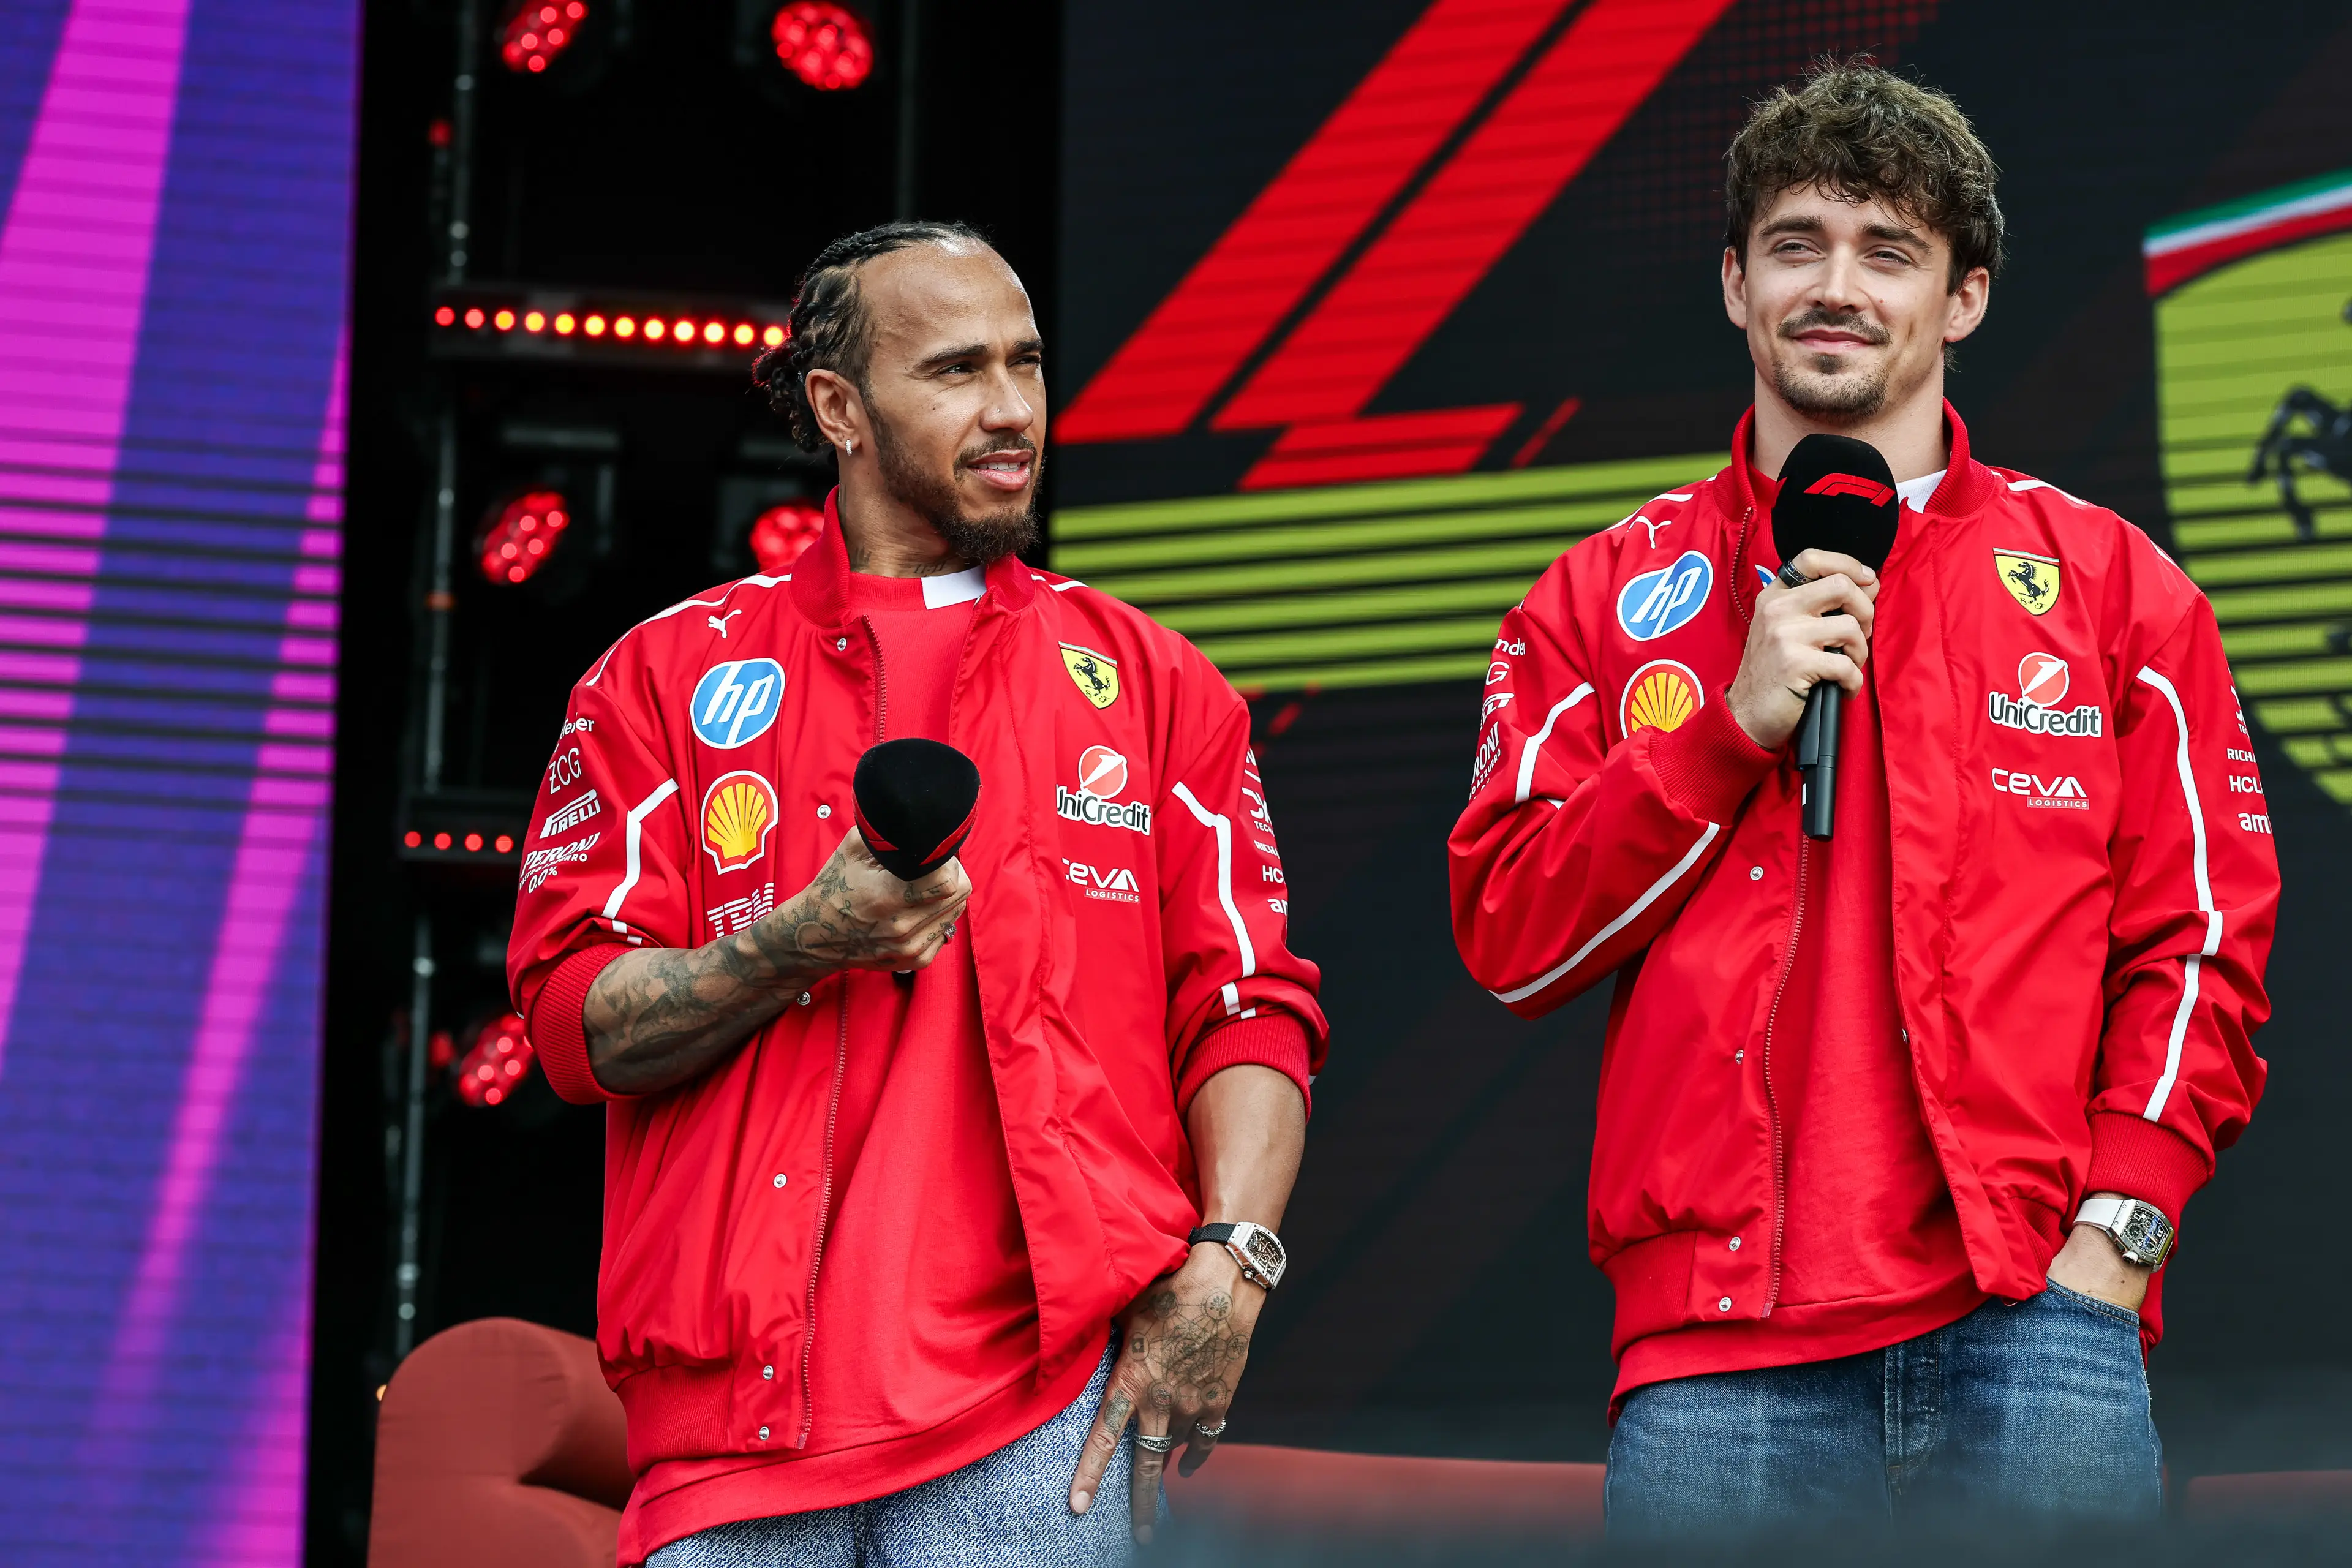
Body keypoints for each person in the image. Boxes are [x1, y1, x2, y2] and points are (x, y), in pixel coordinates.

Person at [1450, 63, 2277, 1528]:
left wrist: (2117, 1235)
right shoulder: (1600, 595)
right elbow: (1510, 929)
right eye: (1797, 244)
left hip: (2039, 1319)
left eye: (1888, 251)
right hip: (1716, 1356)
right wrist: (1726, 731)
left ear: (1961, 298)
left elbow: (2202, 942)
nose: (1837, 288)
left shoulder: (2115, 589)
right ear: (1733, 283)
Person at [508, 221, 1325, 1566]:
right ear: (838, 406)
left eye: (1027, 364)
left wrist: (1232, 1262)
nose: (1011, 411)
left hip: (1041, 1419)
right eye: (954, 371)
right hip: (734, 1429)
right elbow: (570, 1021)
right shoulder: (660, 677)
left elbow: (1247, 1005)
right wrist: (790, 947)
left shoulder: (1162, 684)